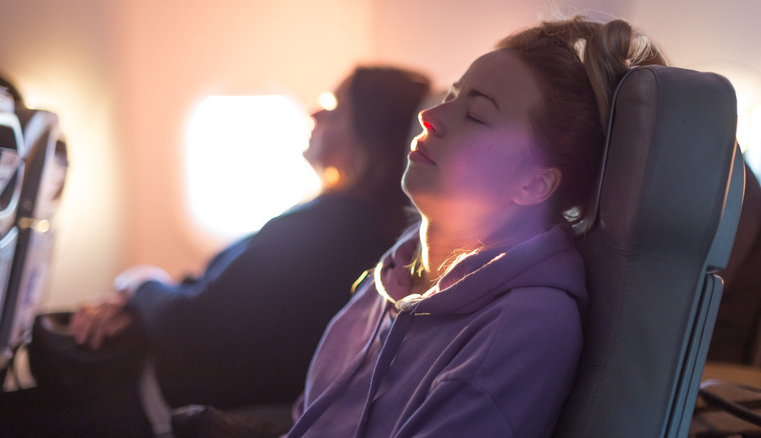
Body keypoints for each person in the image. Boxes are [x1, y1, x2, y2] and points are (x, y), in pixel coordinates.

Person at [285, 16, 665, 438]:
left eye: (477, 115)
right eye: (452, 94)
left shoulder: (525, 327)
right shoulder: (399, 271)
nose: (430, 116)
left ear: (533, 182)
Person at [65, 67, 430, 409]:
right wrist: (134, 309)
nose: (314, 113)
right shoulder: (356, 226)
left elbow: (191, 328)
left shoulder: (321, 230)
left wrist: (140, 281)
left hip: (168, 393)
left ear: (371, 139)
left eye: (334, 110)